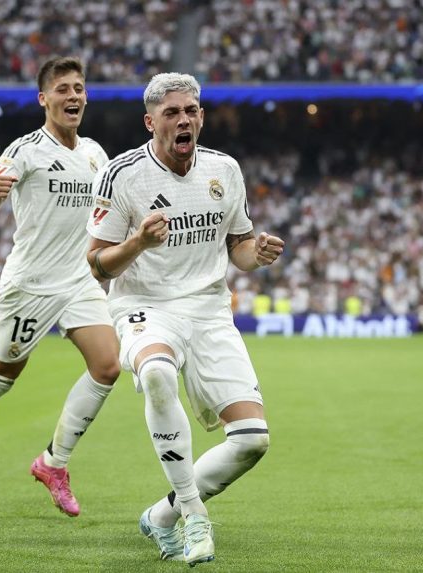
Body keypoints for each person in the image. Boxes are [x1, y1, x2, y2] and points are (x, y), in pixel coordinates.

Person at [85, 73, 283, 565]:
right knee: (155, 373)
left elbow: (238, 247)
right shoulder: (121, 174)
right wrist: (138, 242)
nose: (183, 120)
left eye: (191, 110)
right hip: (146, 306)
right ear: (150, 122)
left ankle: (161, 515)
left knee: (252, 441)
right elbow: (97, 264)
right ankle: (195, 515)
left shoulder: (225, 170)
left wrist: (256, 253)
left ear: (201, 117)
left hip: (210, 310)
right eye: (171, 112)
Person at [0, 56, 121, 518]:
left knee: (108, 366)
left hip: (79, 280)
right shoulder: (24, 150)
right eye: (63, 89)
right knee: (0, 378)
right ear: (44, 99)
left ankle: (53, 463)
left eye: (78, 88)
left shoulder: (95, 154)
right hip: (32, 284)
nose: (73, 96)